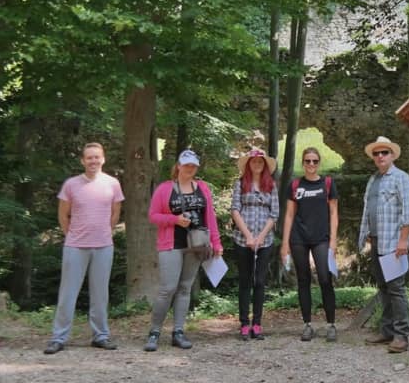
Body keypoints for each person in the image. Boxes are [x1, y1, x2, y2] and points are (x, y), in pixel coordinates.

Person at [43, 142, 124, 354]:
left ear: (103, 159)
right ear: (83, 161)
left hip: (104, 246)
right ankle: (58, 338)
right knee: (68, 293)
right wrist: (71, 234)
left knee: (100, 294)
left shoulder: (113, 183)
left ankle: (101, 336)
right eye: (89, 158)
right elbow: (63, 214)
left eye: (97, 157)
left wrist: (107, 230)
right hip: (76, 246)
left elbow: (116, 211)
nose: (93, 161)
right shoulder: (71, 184)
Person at [144, 149, 223, 351]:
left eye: (193, 166)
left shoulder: (202, 188)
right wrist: (174, 220)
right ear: (178, 166)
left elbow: (210, 218)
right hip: (171, 243)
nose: (189, 169)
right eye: (186, 165)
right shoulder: (164, 189)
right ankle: (154, 332)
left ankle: (178, 332)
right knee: (168, 288)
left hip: (197, 244)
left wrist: (216, 242)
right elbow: (153, 216)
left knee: (185, 287)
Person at [358, 135, 409, 353]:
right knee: (383, 288)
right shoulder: (373, 180)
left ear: (392, 155)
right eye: (376, 153)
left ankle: (402, 336)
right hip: (377, 241)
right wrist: (364, 236)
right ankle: (387, 330)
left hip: (393, 243)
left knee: (396, 289)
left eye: (385, 152)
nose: (380, 156)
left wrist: (403, 240)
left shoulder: (402, 179)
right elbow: (367, 211)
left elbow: (408, 213)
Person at [280, 147, 340, 342]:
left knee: (324, 278)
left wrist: (333, 240)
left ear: (319, 162)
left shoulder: (328, 183)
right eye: (308, 161)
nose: (311, 164)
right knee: (303, 280)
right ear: (303, 163)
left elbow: (333, 213)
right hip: (298, 237)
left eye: (314, 161)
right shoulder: (295, 185)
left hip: (321, 237)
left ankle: (331, 324)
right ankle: (307, 325)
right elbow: (289, 215)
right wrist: (285, 243)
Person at [231, 148, 279, 340]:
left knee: (259, 281)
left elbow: (274, 213)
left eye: (260, 162)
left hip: (265, 240)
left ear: (265, 165)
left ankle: (257, 323)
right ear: (248, 164)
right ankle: (244, 323)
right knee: (245, 280)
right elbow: (235, 209)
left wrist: (260, 237)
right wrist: (249, 236)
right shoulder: (240, 184)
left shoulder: (271, 185)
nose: (257, 164)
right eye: (254, 161)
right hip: (243, 239)